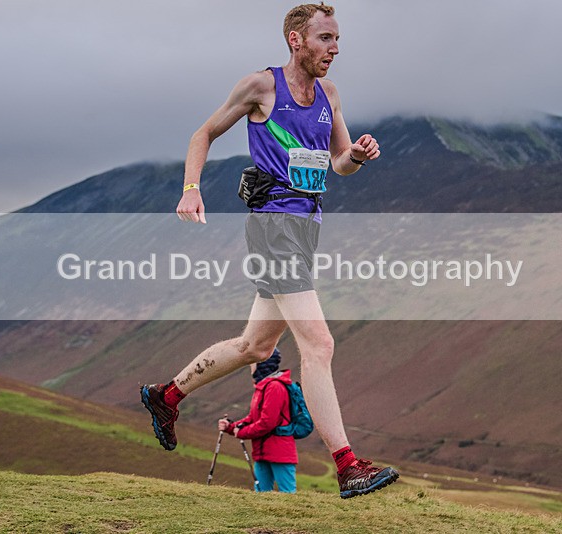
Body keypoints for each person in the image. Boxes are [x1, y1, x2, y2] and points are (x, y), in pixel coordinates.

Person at [140, 3, 399, 498]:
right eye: (325, 39)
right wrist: (191, 187)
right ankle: (347, 465)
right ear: (296, 41)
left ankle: (165, 395)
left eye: (337, 39)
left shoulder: (329, 94)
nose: (335, 49)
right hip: (273, 227)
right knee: (319, 346)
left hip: (305, 228)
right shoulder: (261, 87)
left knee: (255, 347)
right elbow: (203, 133)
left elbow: (339, 164)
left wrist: (358, 157)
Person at [218, 348, 298, 493]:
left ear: (262, 363)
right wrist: (231, 427)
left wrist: (241, 432)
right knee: (260, 494)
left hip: (280, 452)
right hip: (263, 451)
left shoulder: (274, 387)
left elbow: (267, 423)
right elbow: (253, 418)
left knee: (288, 495)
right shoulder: (263, 387)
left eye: (253, 362)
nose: (251, 366)